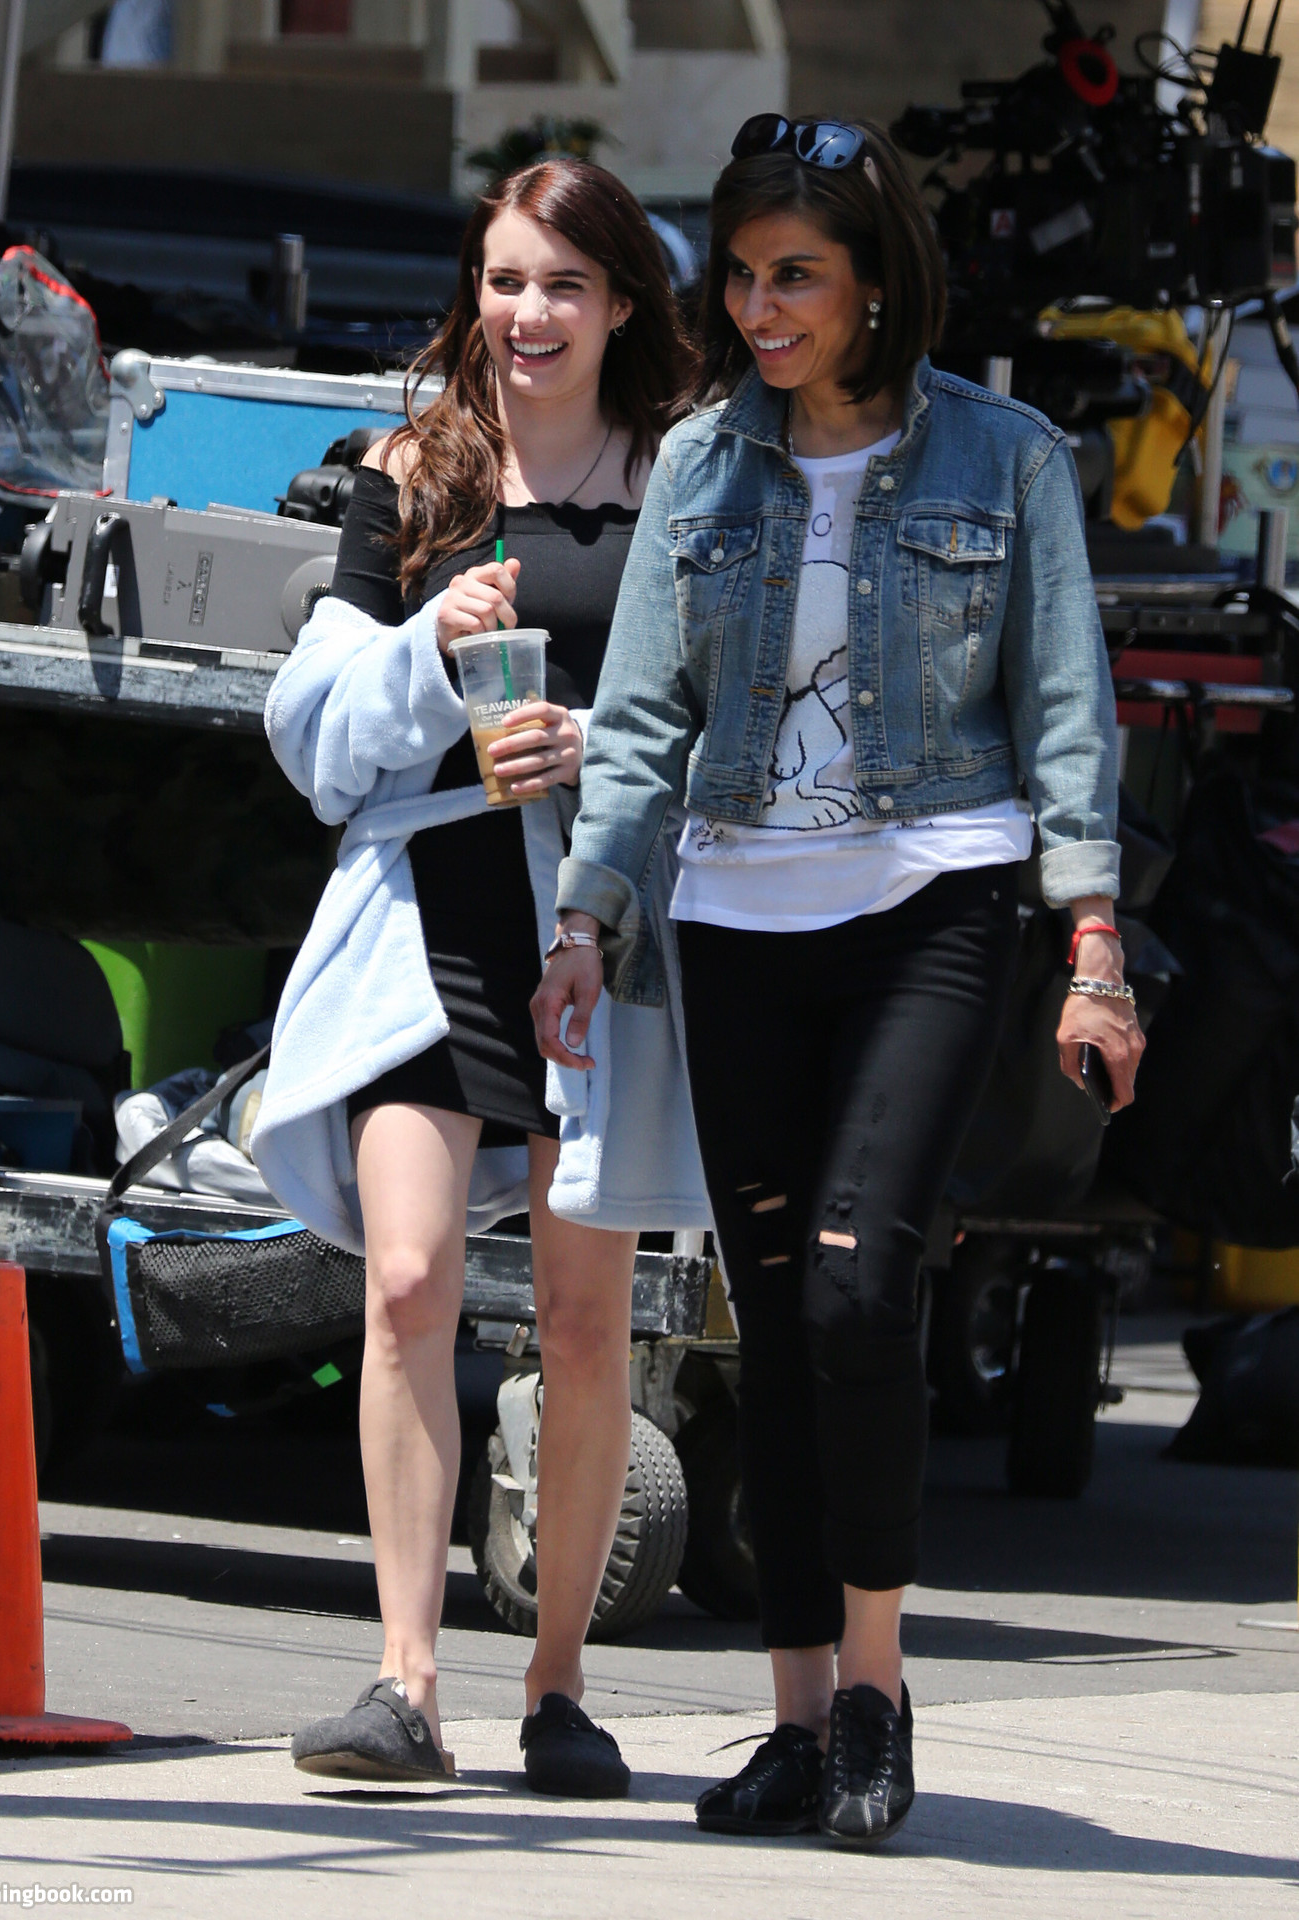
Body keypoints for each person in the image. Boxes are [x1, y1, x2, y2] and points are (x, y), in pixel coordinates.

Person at [532, 116, 1145, 1844]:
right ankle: (796, 1715)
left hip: (932, 898)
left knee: (862, 1296)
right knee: (777, 1315)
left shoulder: (1003, 458)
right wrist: (585, 919)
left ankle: (874, 1688)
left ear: (875, 283)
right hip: (735, 921)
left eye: (793, 274)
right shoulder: (700, 464)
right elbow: (640, 724)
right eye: (740, 276)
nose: (759, 308)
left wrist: (1091, 944)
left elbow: (1066, 712)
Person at [250, 157, 703, 1799]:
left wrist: (602, 750)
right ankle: (404, 1680)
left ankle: (558, 1686)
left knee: (583, 1325)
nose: (529, 313)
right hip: (426, 914)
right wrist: (431, 649)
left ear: (623, 305)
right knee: (403, 1282)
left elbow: (727, 723)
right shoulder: (413, 474)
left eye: (565, 284)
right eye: (505, 280)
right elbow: (312, 742)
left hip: (597, 922)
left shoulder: (680, 483)